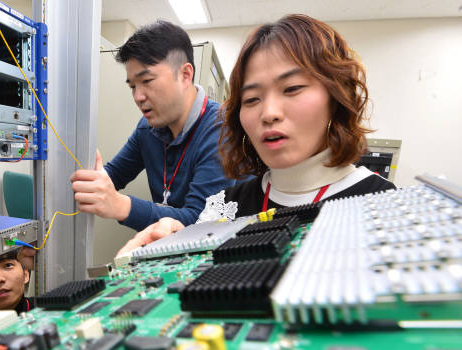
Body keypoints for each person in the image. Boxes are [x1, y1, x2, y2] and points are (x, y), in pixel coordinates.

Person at [117, 14, 396, 256]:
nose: (269, 113)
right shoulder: (224, 208)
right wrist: (179, 238)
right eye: (251, 99)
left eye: (292, 89)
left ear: (336, 97)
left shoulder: (383, 204)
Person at [70, 20, 238, 231]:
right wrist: (88, 178)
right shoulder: (147, 129)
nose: (138, 97)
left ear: (185, 75)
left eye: (147, 81)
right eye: (132, 86)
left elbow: (201, 220)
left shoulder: (221, 128)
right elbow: (114, 175)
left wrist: (121, 205)